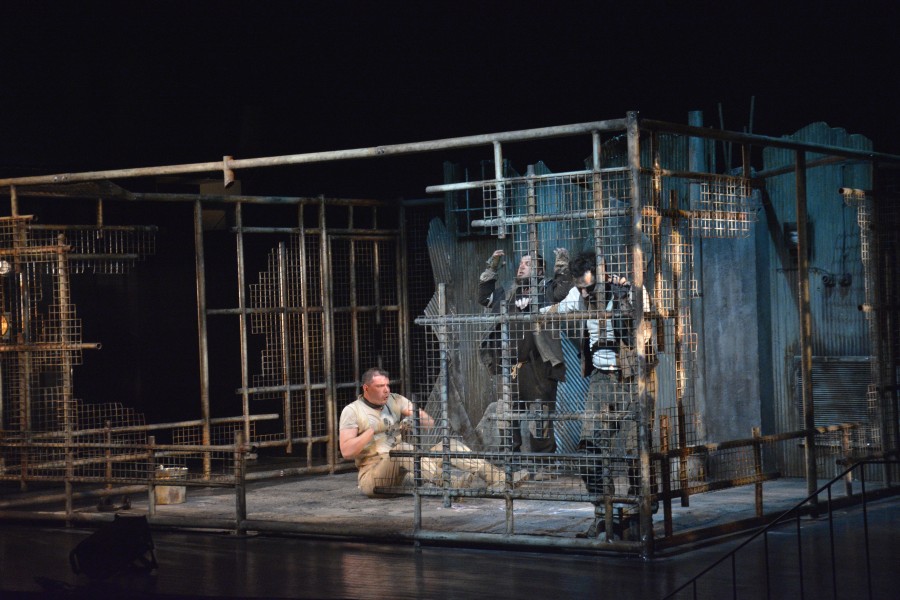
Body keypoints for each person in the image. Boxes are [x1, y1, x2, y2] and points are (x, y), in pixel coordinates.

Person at [543, 250, 654, 538]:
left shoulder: (624, 289)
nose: (584, 293)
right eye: (580, 287)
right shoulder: (579, 295)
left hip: (632, 380)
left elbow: (645, 321)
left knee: (636, 450)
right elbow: (555, 310)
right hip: (600, 380)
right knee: (590, 449)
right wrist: (529, 312)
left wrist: (626, 297)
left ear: (601, 277)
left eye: (589, 287)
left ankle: (638, 516)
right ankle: (605, 515)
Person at [339, 367, 519, 497]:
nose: (386, 390)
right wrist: (371, 431)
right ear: (366, 388)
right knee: (402, 449)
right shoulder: (353, 411)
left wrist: (414, 419)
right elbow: (346, 451)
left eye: (387, 385)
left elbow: (429, 422)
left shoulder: (394, 400)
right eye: (380, 386)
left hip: (405, 473)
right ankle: (449, 483)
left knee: (448, 445)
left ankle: (499, 478)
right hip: (374, 477)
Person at [476, 249, 573, 453]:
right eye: (521, 263)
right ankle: (510, 461)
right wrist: (492, 267)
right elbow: (484, 297)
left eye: (527, 264)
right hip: (510, 367)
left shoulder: (546, 290)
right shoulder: (509, 292)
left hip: (539, 367)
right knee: (507, 416)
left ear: (540, 270)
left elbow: (562, 293)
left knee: (540, 418)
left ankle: (543, 463)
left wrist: (562, 265)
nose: (521, 267)